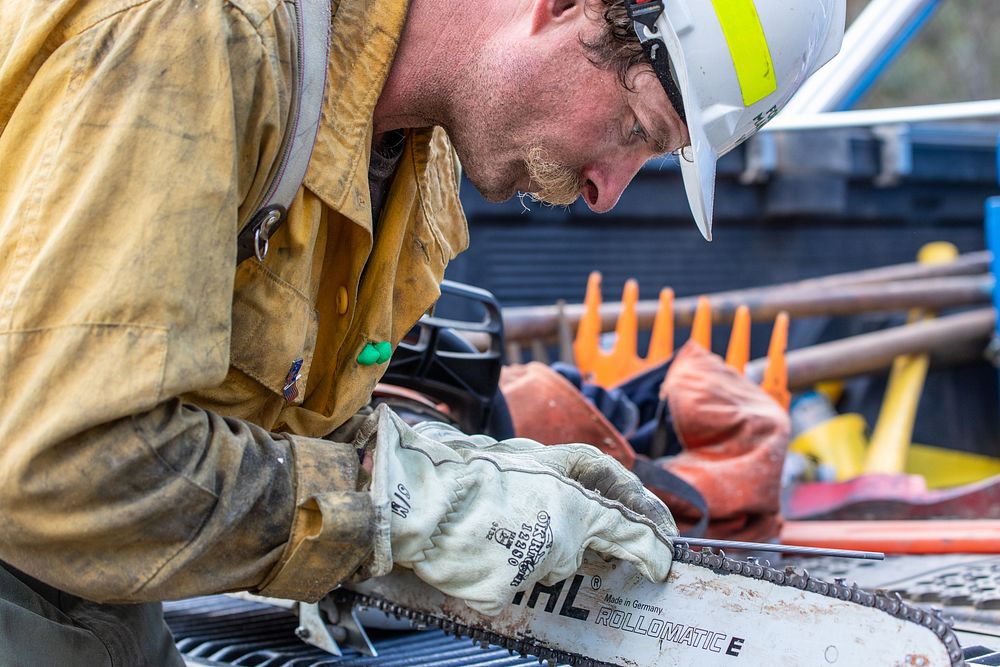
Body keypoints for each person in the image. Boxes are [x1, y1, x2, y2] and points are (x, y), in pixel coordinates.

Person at [0, 0, 844, 663]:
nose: (608, 191)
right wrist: (397, 501)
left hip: (89, 595)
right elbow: (57, 462)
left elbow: (256, 409)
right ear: (566, 5)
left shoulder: (411, 157)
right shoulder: (200, 36)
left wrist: (456, 470)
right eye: (635, 128)